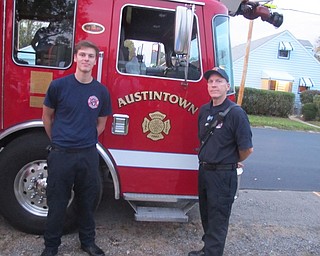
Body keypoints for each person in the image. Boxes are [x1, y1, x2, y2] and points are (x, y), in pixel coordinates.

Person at [41, 40, 112, 256]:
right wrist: (60, 140)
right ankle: (51, 247)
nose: (86, 59)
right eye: (82, 55)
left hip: (88, 156)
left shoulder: (101, 91)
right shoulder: (59, 86)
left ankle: (87, 242)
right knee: (57, 203)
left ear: (95, 61)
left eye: (90, 56)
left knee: (87, 202)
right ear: (75, 58)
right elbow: (47, 116)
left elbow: (102, 123)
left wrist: (86, 139)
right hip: (61, 155)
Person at [188, 67, 253, 256]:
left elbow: (247, 148)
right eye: (210, 81)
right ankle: (208, 249)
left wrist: (233, 160)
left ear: (228, 86)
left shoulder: (236, 113)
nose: (214, 85)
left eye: (219, 81)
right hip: (205, 171)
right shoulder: (204, 110)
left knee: (218, 219)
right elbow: (203, 139)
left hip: (223, 175)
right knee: (207, 216)